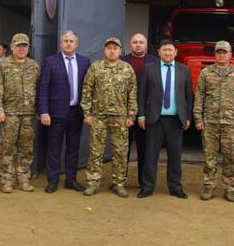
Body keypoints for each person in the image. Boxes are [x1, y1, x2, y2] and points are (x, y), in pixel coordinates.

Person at [193, 41, 234, 202]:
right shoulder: (206, 73)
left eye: (225, 52)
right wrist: (198, 118)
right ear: (215, 54)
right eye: (219, 52)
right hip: (210, 121)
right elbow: (199, 97)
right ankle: (209, 186)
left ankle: (230, 188)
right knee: (209, 157)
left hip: (231, 122)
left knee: (230, 157)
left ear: (230, 55)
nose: (221, 55)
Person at [80, 37, 137, 197]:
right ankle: (93, 182)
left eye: (115, 48)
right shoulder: (95, 68)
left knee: (120, 151)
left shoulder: (127, 69)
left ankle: (119, 183)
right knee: (95, 151)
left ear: (120, 50)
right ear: (105, 50)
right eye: (109, 48)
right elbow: (87, 91)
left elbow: (132, 94)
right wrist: (87, 113)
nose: (112, 50)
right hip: (98, 116)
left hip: (120, 117)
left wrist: (131, 115)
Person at [136, 39, 193, 199]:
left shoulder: (184, 70)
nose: (167, 53)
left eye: (170, 50)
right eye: (164, 50)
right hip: (154, 119)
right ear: (159, 52)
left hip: (176, 120)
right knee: (150, 155)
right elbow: (142, 94)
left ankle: (175, 187)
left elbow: (189, 96)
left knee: (175, 156)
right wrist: (141, 114)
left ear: (175, 52)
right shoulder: (149, 69)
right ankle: (147, 186)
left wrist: (188, 117)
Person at [37, 30, 91, 193]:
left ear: (77, 44)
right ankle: (53, 181)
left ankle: (71, 179)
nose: (68, 43)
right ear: (61, 44)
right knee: (54, 147)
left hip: (76, 112)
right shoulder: (51, 61)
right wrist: (44, 111)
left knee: (73, 147)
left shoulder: (84, 62)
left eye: (71, 41)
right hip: (55, 113)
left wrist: (88, 112)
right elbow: (43, 88)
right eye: (65, 41)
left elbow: (89, 88)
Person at [0, 33, 40, 194]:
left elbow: (39, 90)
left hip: (28, 114)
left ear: (28, 48)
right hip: (9, 114)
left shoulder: (33, 66)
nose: (21, 49)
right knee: (7, 148)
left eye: (24, 46)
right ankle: (6, 180)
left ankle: (23, 179)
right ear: (12, 47)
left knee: (26, 149)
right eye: (18, 46)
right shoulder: (2, 65)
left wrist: (40, 110)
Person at [121, 33, 158, 190]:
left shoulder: (155, 62)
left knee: (145, 148)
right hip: (124, 112)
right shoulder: (122, 61)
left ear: (146, 44)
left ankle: (144, 181)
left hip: (146, 112)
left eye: (141, 42)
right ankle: (120, 180)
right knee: (122, 148)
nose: (138, 45)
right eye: (135, 42)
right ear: (131, 44)